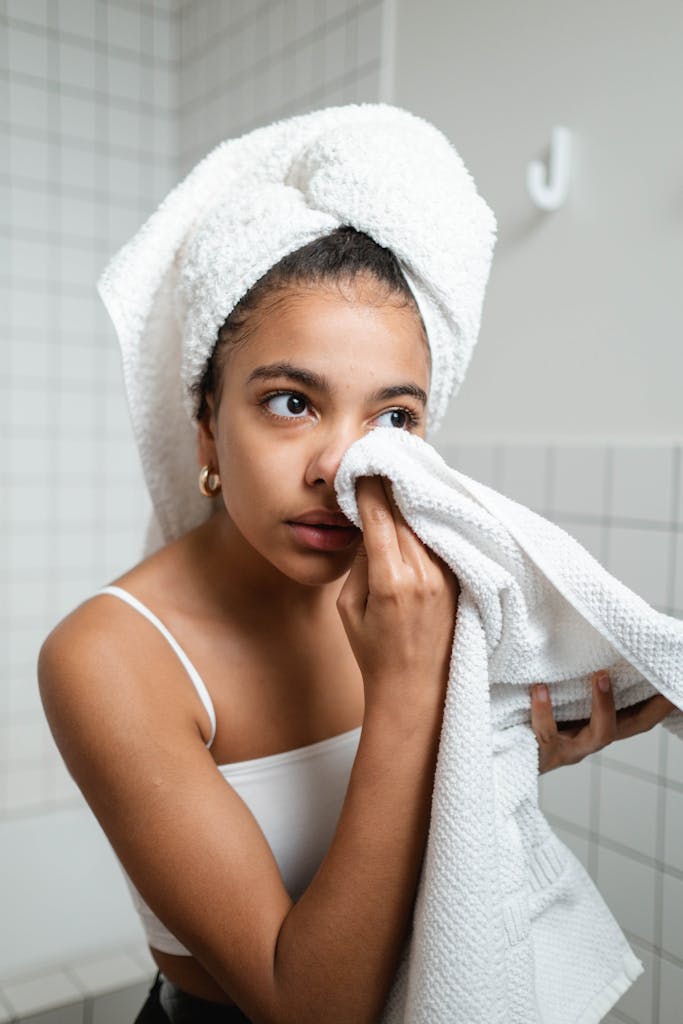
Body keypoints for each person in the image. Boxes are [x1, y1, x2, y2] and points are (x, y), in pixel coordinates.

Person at [38, 116, 675, 1024]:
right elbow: (309, 1008)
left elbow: (390, 811)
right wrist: (412, 685)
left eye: (392, 420)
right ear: (207, 425)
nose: (342, 467)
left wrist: (510, 752)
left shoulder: (408, 590)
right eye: (291, 402)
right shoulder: (109, 657)